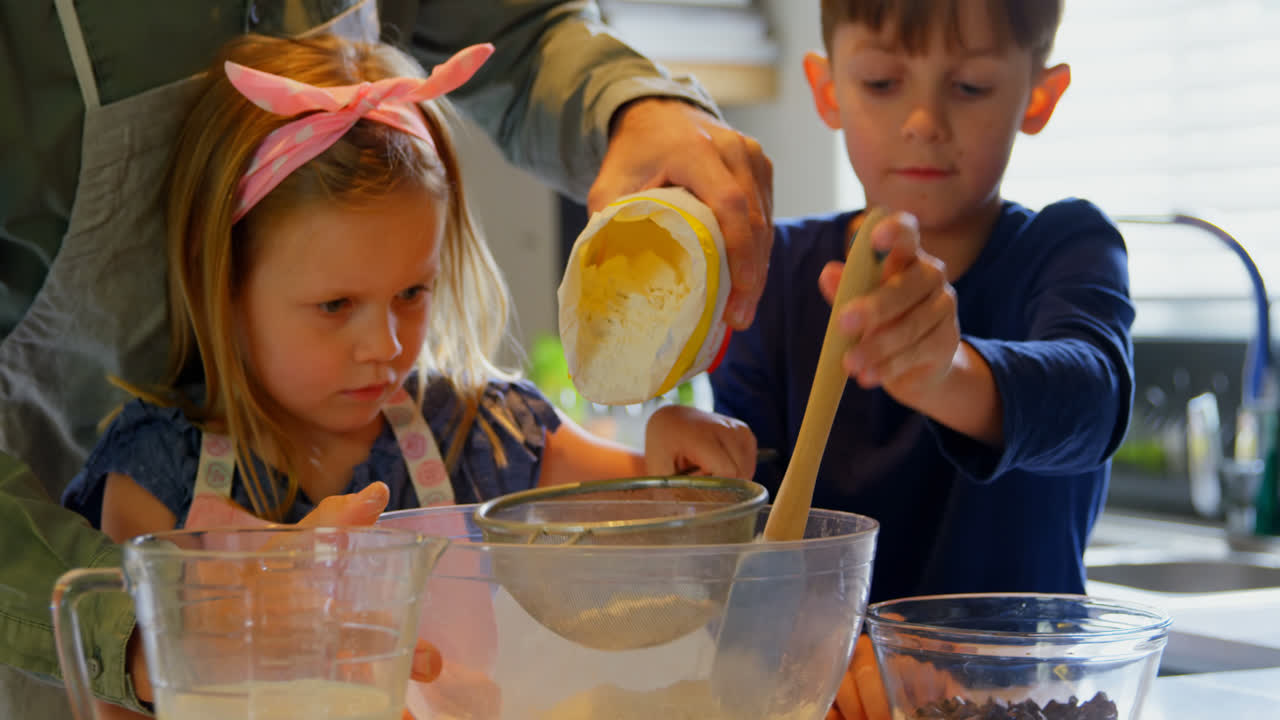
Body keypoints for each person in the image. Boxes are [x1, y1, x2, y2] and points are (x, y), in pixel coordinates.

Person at [0, 2, 770, 717]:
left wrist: (680, 461)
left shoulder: (476, 428)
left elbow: (648, 512)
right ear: (223, 288)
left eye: (412, 291)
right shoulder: (154, 475)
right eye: (335, 307)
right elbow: (119, 697)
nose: (387, 346)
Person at [705, 2, 1133, 718]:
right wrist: (691, 474)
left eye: (968, 87)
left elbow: (1091, 402)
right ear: (827, 89)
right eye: (880, 82)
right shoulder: (773, 278)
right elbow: (756, 534)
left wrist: (948, 373)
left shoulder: (1070, 248)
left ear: (1040, 95)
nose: (924, 121)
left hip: (1028, 698)